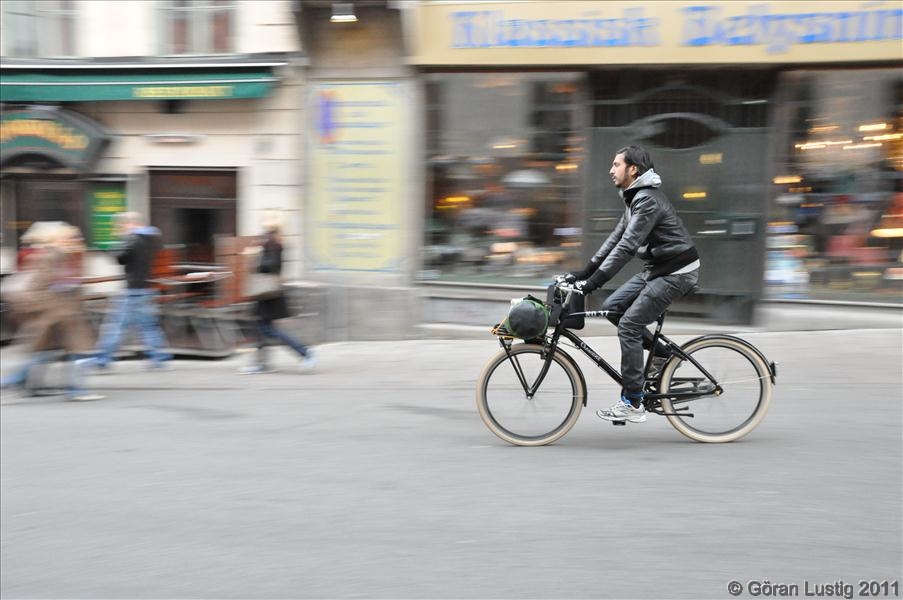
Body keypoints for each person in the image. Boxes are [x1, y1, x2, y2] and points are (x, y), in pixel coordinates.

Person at [562, 145, 700, 424]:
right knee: (613, 308)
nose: (610, 170)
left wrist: (593, 284)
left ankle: (633, 402)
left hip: (676, 272)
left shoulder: (647, 200)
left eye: (616, 165)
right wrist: (584, 272)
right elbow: (614, 239)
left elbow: (626, 248)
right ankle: (663, 355)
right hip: (658, 269)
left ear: (632, 169)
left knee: (629, 325)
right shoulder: (634, 198)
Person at [0, 224, 103, 401]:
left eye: (77, 238)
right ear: (58, 239)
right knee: (78, 351)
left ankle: (17, 381)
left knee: (46, 353)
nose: (77, 240)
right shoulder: (52, 257)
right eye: (72, 238)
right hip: (58, 314)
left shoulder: (64, 256)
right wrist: (55, 306)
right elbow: (40, 287)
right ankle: (75, 391)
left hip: (61, 315)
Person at [91, 212, 172, 371]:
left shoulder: (133, 239)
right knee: (148, 326)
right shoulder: (151, 238)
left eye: (121, 225)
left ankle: (103, 359)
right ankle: (159, 357)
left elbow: (119, 258)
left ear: (131, 224)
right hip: (146, 289)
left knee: (115, 327)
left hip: (132, 291)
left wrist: (120, 241)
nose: (119, 228)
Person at [239, 222, 315, 374]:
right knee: (262, 330)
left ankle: (304, 352)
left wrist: (255, 259)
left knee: (266, 330)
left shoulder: (273, 246)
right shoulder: (275, 245)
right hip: (268, 295)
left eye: (266, 233)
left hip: (268, 294)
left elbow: (270, 265)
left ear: (271, 234)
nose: (263, 236)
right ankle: (263, 364)